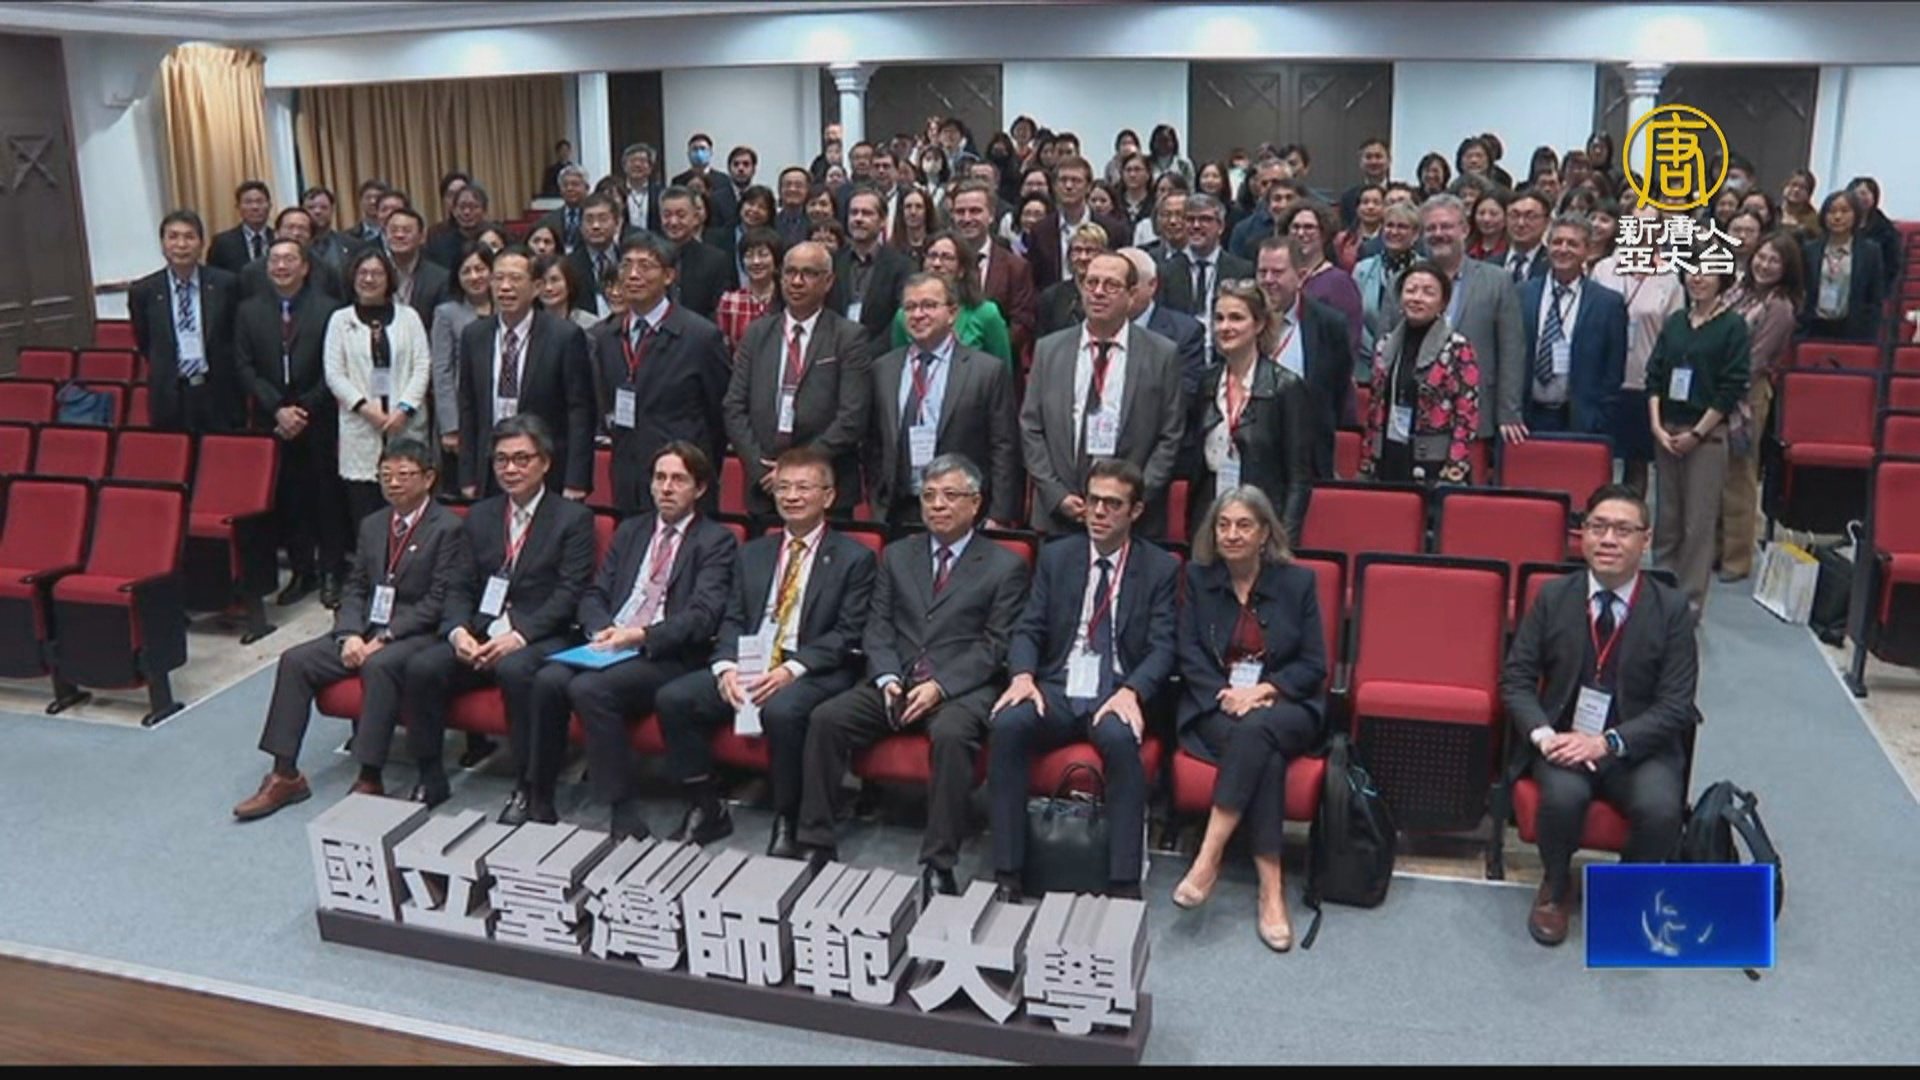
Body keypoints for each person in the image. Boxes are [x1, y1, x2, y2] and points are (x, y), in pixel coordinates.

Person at [798, 453, 1028, 900]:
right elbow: (877, 626)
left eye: (950, 495)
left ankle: (939, 862)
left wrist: (940, 687)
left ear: (976, 503)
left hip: (960, 688)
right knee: (826, 719)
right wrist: (886, 676)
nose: (937, 505)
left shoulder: (1005, 566)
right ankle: (815, 840)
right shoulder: (898, 555)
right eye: (929, 496)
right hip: (896, 680)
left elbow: (995, 645)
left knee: (953, 735)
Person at [1501, 484, 1697, 946]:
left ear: (1645, 540)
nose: (1608, 539)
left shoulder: (1671, 610)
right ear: (1583, 535)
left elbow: (1676, 704)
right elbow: (1517, 679)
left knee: (1660, 808)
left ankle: (1625, 893)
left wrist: (1608, 743)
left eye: (1623, 530)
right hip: (1565, 739)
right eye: (1598, 527)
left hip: (1638, 747)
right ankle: (1555, 886)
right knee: (1562, 798)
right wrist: (1544, 736)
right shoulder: (1554, 596)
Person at [233, 439, 471, 820]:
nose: (394, 483)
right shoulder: (373, 525)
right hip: (365, 628)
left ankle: (369, 775)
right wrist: (349, 635)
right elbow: (356, 586)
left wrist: (384, 637)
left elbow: (439, 599)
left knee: (380, 664)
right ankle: (284, 774)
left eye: (404, 475)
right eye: (386, 475)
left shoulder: (449, 528)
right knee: (296, 661)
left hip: (416, 633)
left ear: (428, 478)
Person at [651, 447, 872, 853]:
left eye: (803, 487)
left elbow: (848, 633)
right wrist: (726, 668)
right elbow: (733, 617)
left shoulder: (855, 558)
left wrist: (792, 670)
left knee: (783, 711)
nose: (791, 496)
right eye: (783, 487)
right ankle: (706, 804)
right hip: (751, 660)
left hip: (811, 668)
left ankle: (788, 816)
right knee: (674, 698)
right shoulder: (753, 552)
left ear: (828, 496)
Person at [987, 458, 1178, 902]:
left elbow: (1163, 647)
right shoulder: (1058, 557)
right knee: (1008, 724)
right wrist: (1022, 676)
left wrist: (1133, 691)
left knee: (1120, 739)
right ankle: (1008, 870)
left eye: (1113, 504)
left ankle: (1123, 880)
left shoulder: (1159, 568)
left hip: (1115, 690)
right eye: (1094, 501)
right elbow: (1029, 627)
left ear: (1135, 511)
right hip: (1058, 686)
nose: (1100, 512)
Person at [525, 441, 737, 838]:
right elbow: (594, 593)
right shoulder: (631, 530)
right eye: (660, 478)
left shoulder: (716, 540)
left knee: (590, 689)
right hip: (612, 641)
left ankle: (621, 808)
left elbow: (703, 615)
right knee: (547, 680)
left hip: (665, 652)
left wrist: (639, 635)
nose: (666, 488)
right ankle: (538, 793)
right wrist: (602, 628)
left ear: (700, 488)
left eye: (678, 480)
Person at [401, 415, 597, 819]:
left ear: (545, 463)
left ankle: (529, 786)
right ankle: (430, 775)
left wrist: (519, 635)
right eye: (502, 460)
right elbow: (459, 584)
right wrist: (458, 631)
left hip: (543, 634)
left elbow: (569, 594)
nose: (511, 469)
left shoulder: (573, 519)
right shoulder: (482, 516)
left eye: (522, 459)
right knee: (422, 667)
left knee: (515, 670)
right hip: (483, 630)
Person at [1171, 486, 1327, 952]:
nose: (1232, 534)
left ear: (1264, 534)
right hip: (1217, 706)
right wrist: (1226, 696)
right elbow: (1189, 652)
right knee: (1262, 750)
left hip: (1286, 705)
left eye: (1243, 525)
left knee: (1257, 728)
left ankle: (1208, 857)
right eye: (1223, 525)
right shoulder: (1199, 579)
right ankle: (1271, 891)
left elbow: (1314, 664)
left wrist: (1262, 691)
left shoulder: (1297, 583)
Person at [1023, 252, 1185, 537]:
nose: (1098, 292)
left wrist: (1128, 500)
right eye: (1091, 282)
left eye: (1111, 285)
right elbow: (1031, 428)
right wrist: (1056, 494)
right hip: (1059, 515)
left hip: (1132, 522)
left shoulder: (1161, 354)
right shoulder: (1049, 350)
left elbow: (1170, 437)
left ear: (1132, 295)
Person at [234, 238, 348, 610]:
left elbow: (335, 368)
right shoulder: (249, 310)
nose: (281, 266)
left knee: (326, 498)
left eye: (289, 259)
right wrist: (278, 409)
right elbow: (244, 367)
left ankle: (332, 571)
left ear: (305, 267)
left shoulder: (329, 310)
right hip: (272, 423)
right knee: (290, 499)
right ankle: (302, 571)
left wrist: (302, 410)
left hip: (318, 419)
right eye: (275, 260)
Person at [722, 241, 871, 520]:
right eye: (790, 272)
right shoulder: (757, 333)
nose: (797, 282)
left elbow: (852, 416)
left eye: (809, 273)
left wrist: (795, 472)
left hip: (826, 487)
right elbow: (734, 407)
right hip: (765, 485)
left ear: (828, 281)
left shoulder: (848, 337)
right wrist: (759, 467)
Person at [869, 272, 1021, 528]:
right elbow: (874, 443)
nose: (918, 315)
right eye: (910, 307)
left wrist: (1000, 515)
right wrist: (878, 499)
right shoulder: (883, 369)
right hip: (899, 511)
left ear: (952, 313)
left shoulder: (986, 371)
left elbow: (1004, 446)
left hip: (964, 511)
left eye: (929, 305)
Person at [596, 232, 730, 518]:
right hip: (628, 480)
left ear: (669, 276)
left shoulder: (700, 337)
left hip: (684, 481)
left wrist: (700, 470)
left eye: (645, 266)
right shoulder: (606, 336)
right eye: (626, 265)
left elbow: (719, 416)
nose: (633, 274)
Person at [1644, 265, 1749, 613]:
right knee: (1667, 520)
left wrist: (1698, 433)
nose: (1697, 279)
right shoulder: (1676, 321)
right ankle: (1658, 594)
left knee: (1697, 524)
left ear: (1722, 279)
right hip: (1667, 429)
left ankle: (1687, 606)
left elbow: (1731, 387)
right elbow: (1654, 375)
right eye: (1692, 271)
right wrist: (1657, 426)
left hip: (1707, 435)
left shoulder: (1733, 325)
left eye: (1707, 273)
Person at [456, 246, 596, 501]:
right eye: (498, 278)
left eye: (515, 278)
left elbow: (580, 412)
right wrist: (467, 474)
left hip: (546, 467)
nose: (505, 287)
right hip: (491, 466)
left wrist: (576, 479)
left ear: (536, 287)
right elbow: (468, 407)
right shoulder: (474, 335)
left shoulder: (564, 336)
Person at [1395, 194, 1524, 449]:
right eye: (1431, 228)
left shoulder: (1498, 281)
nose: (1438, 234)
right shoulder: (1403, 282)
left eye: (1446, 226)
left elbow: (1511, 352)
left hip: (1476, 410)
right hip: (1413, 410)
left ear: (1464, 230)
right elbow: (1387, 344)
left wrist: (1509, 412)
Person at [1194, 279, 1313, 540]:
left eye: (1236, 318)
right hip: (1211, 520)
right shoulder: (1207, 382)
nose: (1225, 327)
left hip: (1263, 524)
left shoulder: (1285, 386)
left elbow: (1299, 479)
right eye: (1219, 318)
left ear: (1259, 324)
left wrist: (1284, 540)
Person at [326, 248, 433, 525]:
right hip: (362, 425)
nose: (369, 279)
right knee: (367, 515)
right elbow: (335, 374)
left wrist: (404, 409)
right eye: (363, 273)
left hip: (404, 422)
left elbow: (422, 366)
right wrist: (365, 408)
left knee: (408, 503)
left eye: (377, 273)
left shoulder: (409, 317)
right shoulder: (340, 320)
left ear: (389, 278)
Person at [1720, 232, 1802, 584]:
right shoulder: (1740, 290)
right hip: (1718, 386)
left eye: (1774, 261)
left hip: (1747, 394)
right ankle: (1715, 548)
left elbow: (1756, 359)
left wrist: (1721, 382)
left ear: (1786, 268)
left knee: (1739, 475)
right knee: (1716, 473)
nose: (1764, 265)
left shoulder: (1780, 306)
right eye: (1762, 257)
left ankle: (1737, 558)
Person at [1506, 213, 1627, 442]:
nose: (1563, 249)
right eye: (1557, 242)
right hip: (1525, 420)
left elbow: (1613, 371)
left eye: (1572, 244)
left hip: (1580, 421)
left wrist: (1599, 420)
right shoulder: (1521, 294)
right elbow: (1508, 356)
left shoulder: (1608, 304)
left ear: (1587, 250)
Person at [1362, 260, 1481, 485]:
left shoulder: (1457, 348)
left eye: (1428, 292)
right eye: (1411, 290)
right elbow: (1374, 406)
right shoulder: (1386, 345)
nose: (1417, 298)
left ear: (1443, 302)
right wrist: (1368, 458)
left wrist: (1454, 467)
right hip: (1389, 454)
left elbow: (1467, 416)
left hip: (1435, 465)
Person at [1254, 236, 1356, 482]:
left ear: (1300, 277)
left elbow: (1337, 391)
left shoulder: (1329, 325)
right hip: (1250, 453)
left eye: (1277, 272)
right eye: (1262, 272)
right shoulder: (1242, 321)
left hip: (1307, 458)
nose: (1268, 280)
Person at [129, 209, 240, 434]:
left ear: (201, 244)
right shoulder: (144, 291)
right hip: (170, 394)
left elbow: (236, 336)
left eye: (189, 237)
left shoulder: (226, 284)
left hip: (218, 391)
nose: (181, 245)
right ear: (162, 244)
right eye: (173, 237)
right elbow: (145, 342)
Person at [946, 180, 1037, 357]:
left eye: (975, 211)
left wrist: (986, 348)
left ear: (991, 215)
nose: (967, 218)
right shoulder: (939, 261)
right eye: (960, 212)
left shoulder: (1016, 267)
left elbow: (1022, 323)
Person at [429, 243, 495, 483]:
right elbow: (442, 371)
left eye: (480, 269)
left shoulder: (507, 308)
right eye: (466, 271)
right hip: (464, 413)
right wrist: (450, 426)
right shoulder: (446, 313)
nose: (474, 276)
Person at [1160, 193, 1254, 351]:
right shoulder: (1166, 271)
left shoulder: (1242, 270)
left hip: (1227, 353)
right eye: (1190, 219)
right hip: (1180, 355)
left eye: (1205, 219)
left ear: (1221, 226)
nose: (1196, 226)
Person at [827, 186, 916, 354]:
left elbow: (900, 318)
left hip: (881, 357)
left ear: (882, 221)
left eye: (867, 213)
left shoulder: (901, 266)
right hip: (834, 353)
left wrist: (870, 353)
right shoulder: (833, 262)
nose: (858, 219)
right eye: (854, 213)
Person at [1279, 200, 1365, 365]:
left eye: (1309, 227)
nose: (1301, 233)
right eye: (1295, 227)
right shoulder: (1280, 277)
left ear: (1324, 234)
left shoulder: (1339, 282)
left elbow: (1349, 339)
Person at [1027, 156, 1131, 290]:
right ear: (1054, 186)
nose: (1068, 186)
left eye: (1075, 181)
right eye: (1063, 180)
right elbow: (1035, 280)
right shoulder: (1040, 231)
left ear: (1088, 187)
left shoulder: (1114, 230)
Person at [1119, 247, 1207, 402]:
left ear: (1152, 285)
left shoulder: (1185, 333)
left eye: (1128, 282)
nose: (1118, 291)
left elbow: (1183, 397)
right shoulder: (1094, 328)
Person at [1801, 189, 1886, 343]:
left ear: (1856, 215)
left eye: (1845, 211)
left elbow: (1875, 298)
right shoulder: (1809, 250)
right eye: (1832, 211)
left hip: (1853, 330)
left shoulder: (1870, 252)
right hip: (1813, 327)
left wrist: (1869, 332)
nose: (1838, 217)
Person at [1353, 202, 1420, 367]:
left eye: (1402, 227)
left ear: (1415, 234)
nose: (1394, 232)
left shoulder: (1425, 271)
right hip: (1365, 363)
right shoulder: (1362, 270)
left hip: (1412, 360)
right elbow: (1355, 317)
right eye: (1389, 225)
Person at [659, 185, 734, 321]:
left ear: (696, 218)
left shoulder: (716, 260)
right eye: (667, 215)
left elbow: (719, 310)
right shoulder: (651, 257)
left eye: (681, 215)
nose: (673, 222)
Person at [381, 207, 451, 333]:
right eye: (393, 230)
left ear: (422, 237)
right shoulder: (375, 273)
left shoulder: (440, 278)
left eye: (407, 231)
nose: (399, 235)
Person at [715, 227, 783, 353]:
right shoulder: (730, 301)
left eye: (763, 255)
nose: (756, 261)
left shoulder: (787, 298)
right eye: (749, 256)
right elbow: (724, 348)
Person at [210, 180, 274, 273]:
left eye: (260, 202)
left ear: (269, 206)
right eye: (248, 202)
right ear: (238, 207)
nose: (255, 207)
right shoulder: (222, 243)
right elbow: (214, 276)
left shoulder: (278, 238)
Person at [424, 183, 491, 271]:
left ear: (484, 210)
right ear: (454, 211)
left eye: (473, 207)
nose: (466, 212)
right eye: (462, 207)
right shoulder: (439, 244)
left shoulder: (495, 237)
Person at [536, 251, 600, 332]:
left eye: (554, 280)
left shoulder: (591, 325)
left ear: (569, 283)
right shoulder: (529, 325)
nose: (548, 288)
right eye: (542, 282)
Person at [608, 142, 663, 236]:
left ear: (650, 167)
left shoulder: (660, 193)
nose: (637, 165)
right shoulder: (616, 192)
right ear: (624, 166)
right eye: (632, 161)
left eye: (642, 161)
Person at [535, 165, 593, 254]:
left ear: (587, 188)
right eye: (565, 185)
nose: (569, 189)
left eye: (575, 184)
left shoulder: (594, 217)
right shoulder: (548, 219)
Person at [1338, 138, 1392, 230]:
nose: (1373, 161)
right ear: (1360, 162)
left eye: (1378, 156)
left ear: (1389, 161)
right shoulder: (1348, 197)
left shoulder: (1399, 194)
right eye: (1368, 157)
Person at [1333, 183, 1385, 271]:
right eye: (1365, 202)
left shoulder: (1390, 237)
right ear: (1357, 208)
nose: (1370, 207)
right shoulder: (1343, 239)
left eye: (1376, 203)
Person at [1467, 191, 1509, 263]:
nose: (1486, 219)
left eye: (1493, 214)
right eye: (1481, 213)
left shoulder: (1511, 252)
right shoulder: (1466, 250)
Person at [1779, 169, 1820, 238]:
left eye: (1802, 187)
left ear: (1809, 194)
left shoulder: (1814, 222)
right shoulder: (1772, 213)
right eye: (1793, 185)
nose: (1796, 190)